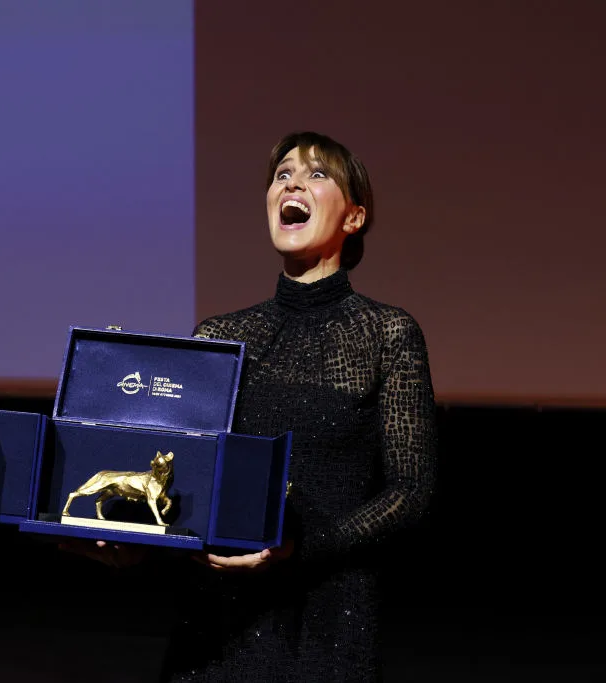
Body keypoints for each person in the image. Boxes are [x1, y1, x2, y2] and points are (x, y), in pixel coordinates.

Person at [65, 131, 437, 682]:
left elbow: (411, 492)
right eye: (282, 174)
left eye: (316, 175)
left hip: (328, 620)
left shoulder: (386, 334)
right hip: (220, 623)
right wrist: (134, 541)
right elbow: (187, 483)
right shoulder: (221, 336)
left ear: (354, 218)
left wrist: (301, 548)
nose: (293, 183)